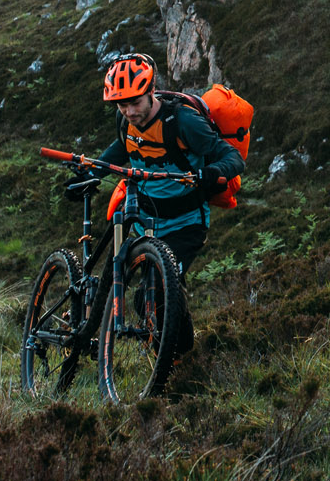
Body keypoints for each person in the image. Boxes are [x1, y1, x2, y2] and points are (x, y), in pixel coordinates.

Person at [84, 54, 244, 356]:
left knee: (157, 291)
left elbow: (232, 158)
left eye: (135, 102)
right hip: (144, 221)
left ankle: (175, 356)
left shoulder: (182, 121)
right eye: (122, 105)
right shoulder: (126, 121)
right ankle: (171, 357)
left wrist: (210, 173)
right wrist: (90, 172)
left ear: (151, 91)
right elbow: (122, 149)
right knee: (145, 293)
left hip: (186, 225)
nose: (130, 111)